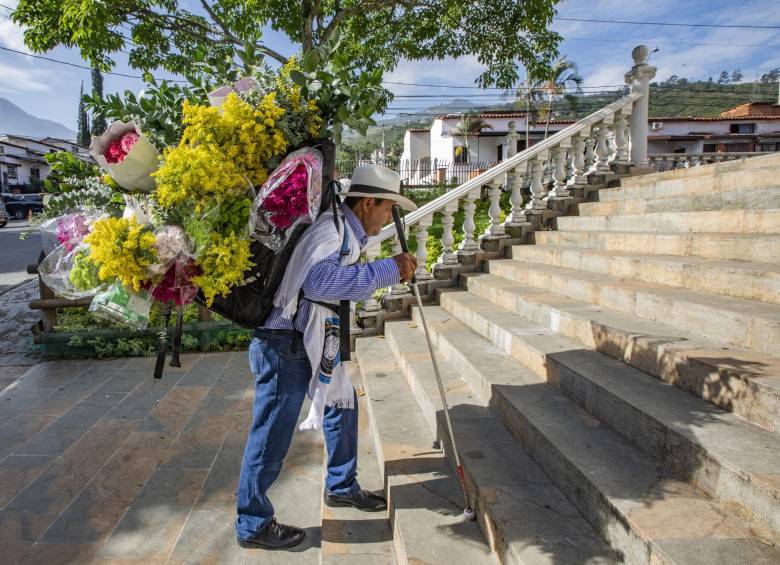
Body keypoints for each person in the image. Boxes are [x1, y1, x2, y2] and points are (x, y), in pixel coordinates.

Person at [236, 164, 418, 550]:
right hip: (282, 344)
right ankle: (252, 524)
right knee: (271, 434)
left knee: (342, 401)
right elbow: (319, 282)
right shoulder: (333, 230)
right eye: (387, 208)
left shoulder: (344, 230)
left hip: (307, 339)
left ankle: (341, 484)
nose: (388, 217)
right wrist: (388, 269)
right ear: (368, 202)